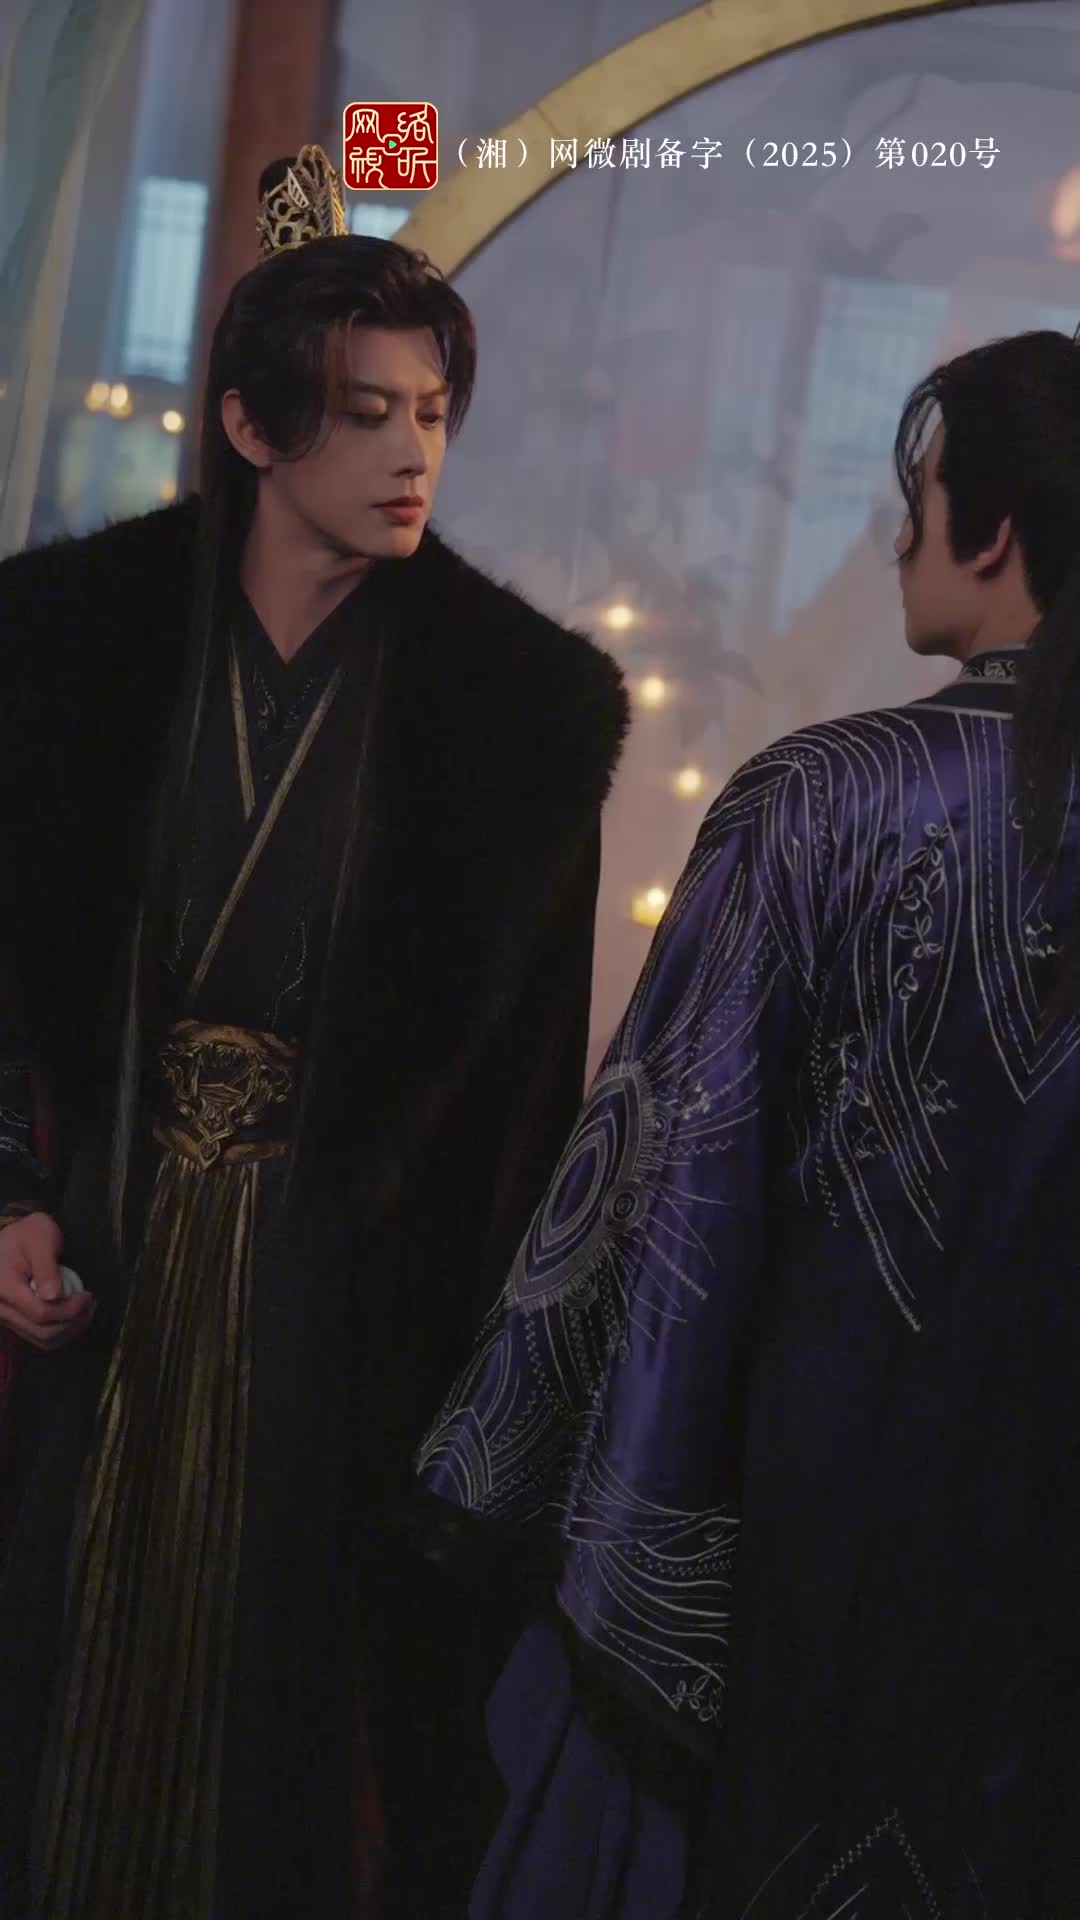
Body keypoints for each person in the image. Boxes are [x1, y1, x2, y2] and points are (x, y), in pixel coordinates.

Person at [0, 146, 629, 1919]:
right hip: (104, 1224)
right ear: (250, 426)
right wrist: (11, 1188)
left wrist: (478, 1400)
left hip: (344, 1280)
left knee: (291, 1698)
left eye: (432, 412)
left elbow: (520, 1106)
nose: (414, 452)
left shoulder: (520, 720)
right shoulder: (63, 647)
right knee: (53, 1641)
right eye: (365, 414)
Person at [417, 327, 1080, 1919]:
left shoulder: (824, 798)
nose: (899, 541)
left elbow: (662, 1174)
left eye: (917, 499)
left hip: (825, 1524)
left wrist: (486, 1480)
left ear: (991, 531)